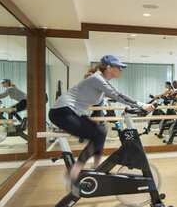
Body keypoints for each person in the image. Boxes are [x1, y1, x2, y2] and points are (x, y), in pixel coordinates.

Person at [49, 55, 154, 183]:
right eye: (119, 67)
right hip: (61, 112)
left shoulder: (101, 80)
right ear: (109, 68)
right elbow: (117, 95)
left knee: (101, 131)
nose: (121, 69)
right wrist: (142, 105)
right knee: (98, 133)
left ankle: (96, 167)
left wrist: (133, 107)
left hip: (72, 112)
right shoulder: (97, 79)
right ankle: (75, 171)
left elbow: (110, 96)